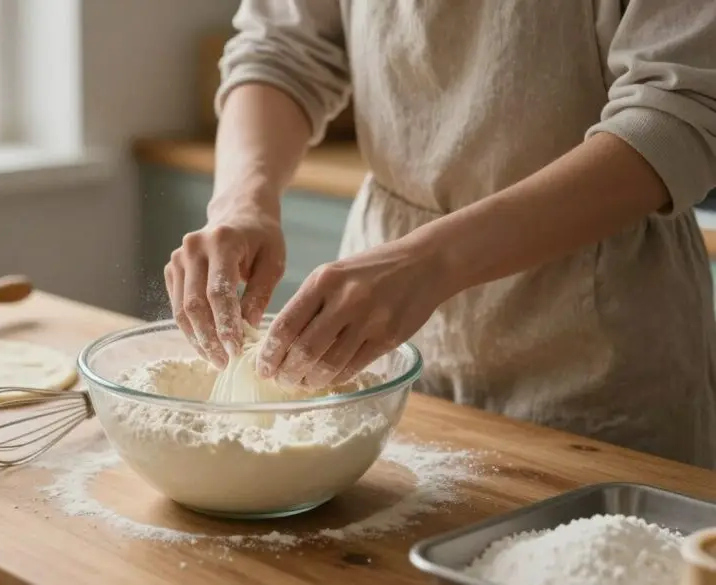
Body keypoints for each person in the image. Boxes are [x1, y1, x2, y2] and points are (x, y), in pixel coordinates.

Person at [163, 0, 716, 468]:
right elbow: (280, 48)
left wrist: (429, 263)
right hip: (382, 327)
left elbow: (677, 111)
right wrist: (241, 202)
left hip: (597, 334)